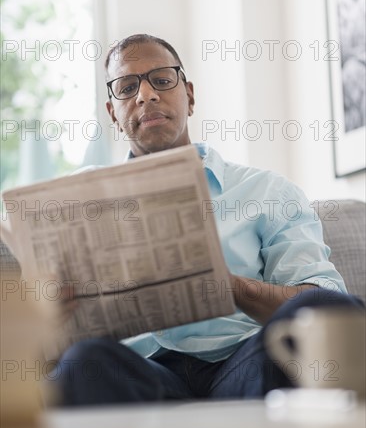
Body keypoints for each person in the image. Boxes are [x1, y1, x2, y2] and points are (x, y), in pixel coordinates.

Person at [56, 34, 364, 405]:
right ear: (113, 114)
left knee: (331, 309)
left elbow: (323, 301)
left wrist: (229, 285)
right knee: (82, 363)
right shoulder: (80, 199)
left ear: (189, 94)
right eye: (127, 87)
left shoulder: (267, 190)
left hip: (246, 364)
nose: (146, 95)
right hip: (139, 373)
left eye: (162, 80)